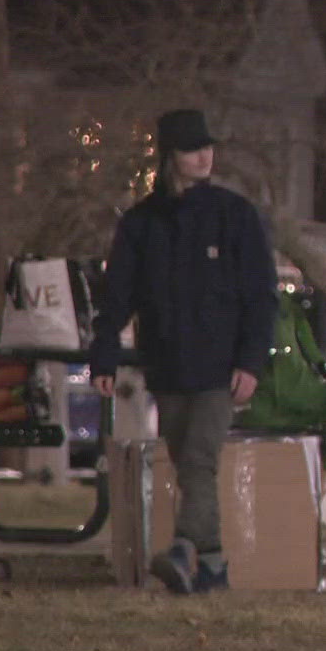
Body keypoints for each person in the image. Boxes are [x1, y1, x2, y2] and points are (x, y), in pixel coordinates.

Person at [89, 108, 278, 595]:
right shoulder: (143, 224)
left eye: (208, 147)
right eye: (194, 148)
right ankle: (212, 566)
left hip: (220, 368)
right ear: (171, 156)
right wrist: (105, 355)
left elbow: (261, 295)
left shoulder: (234, 216)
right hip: (168, 364)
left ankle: (183, 550)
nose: (205, 155)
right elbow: (119, 295)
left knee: (198, 460)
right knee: (189, 463)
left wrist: (251, 361)